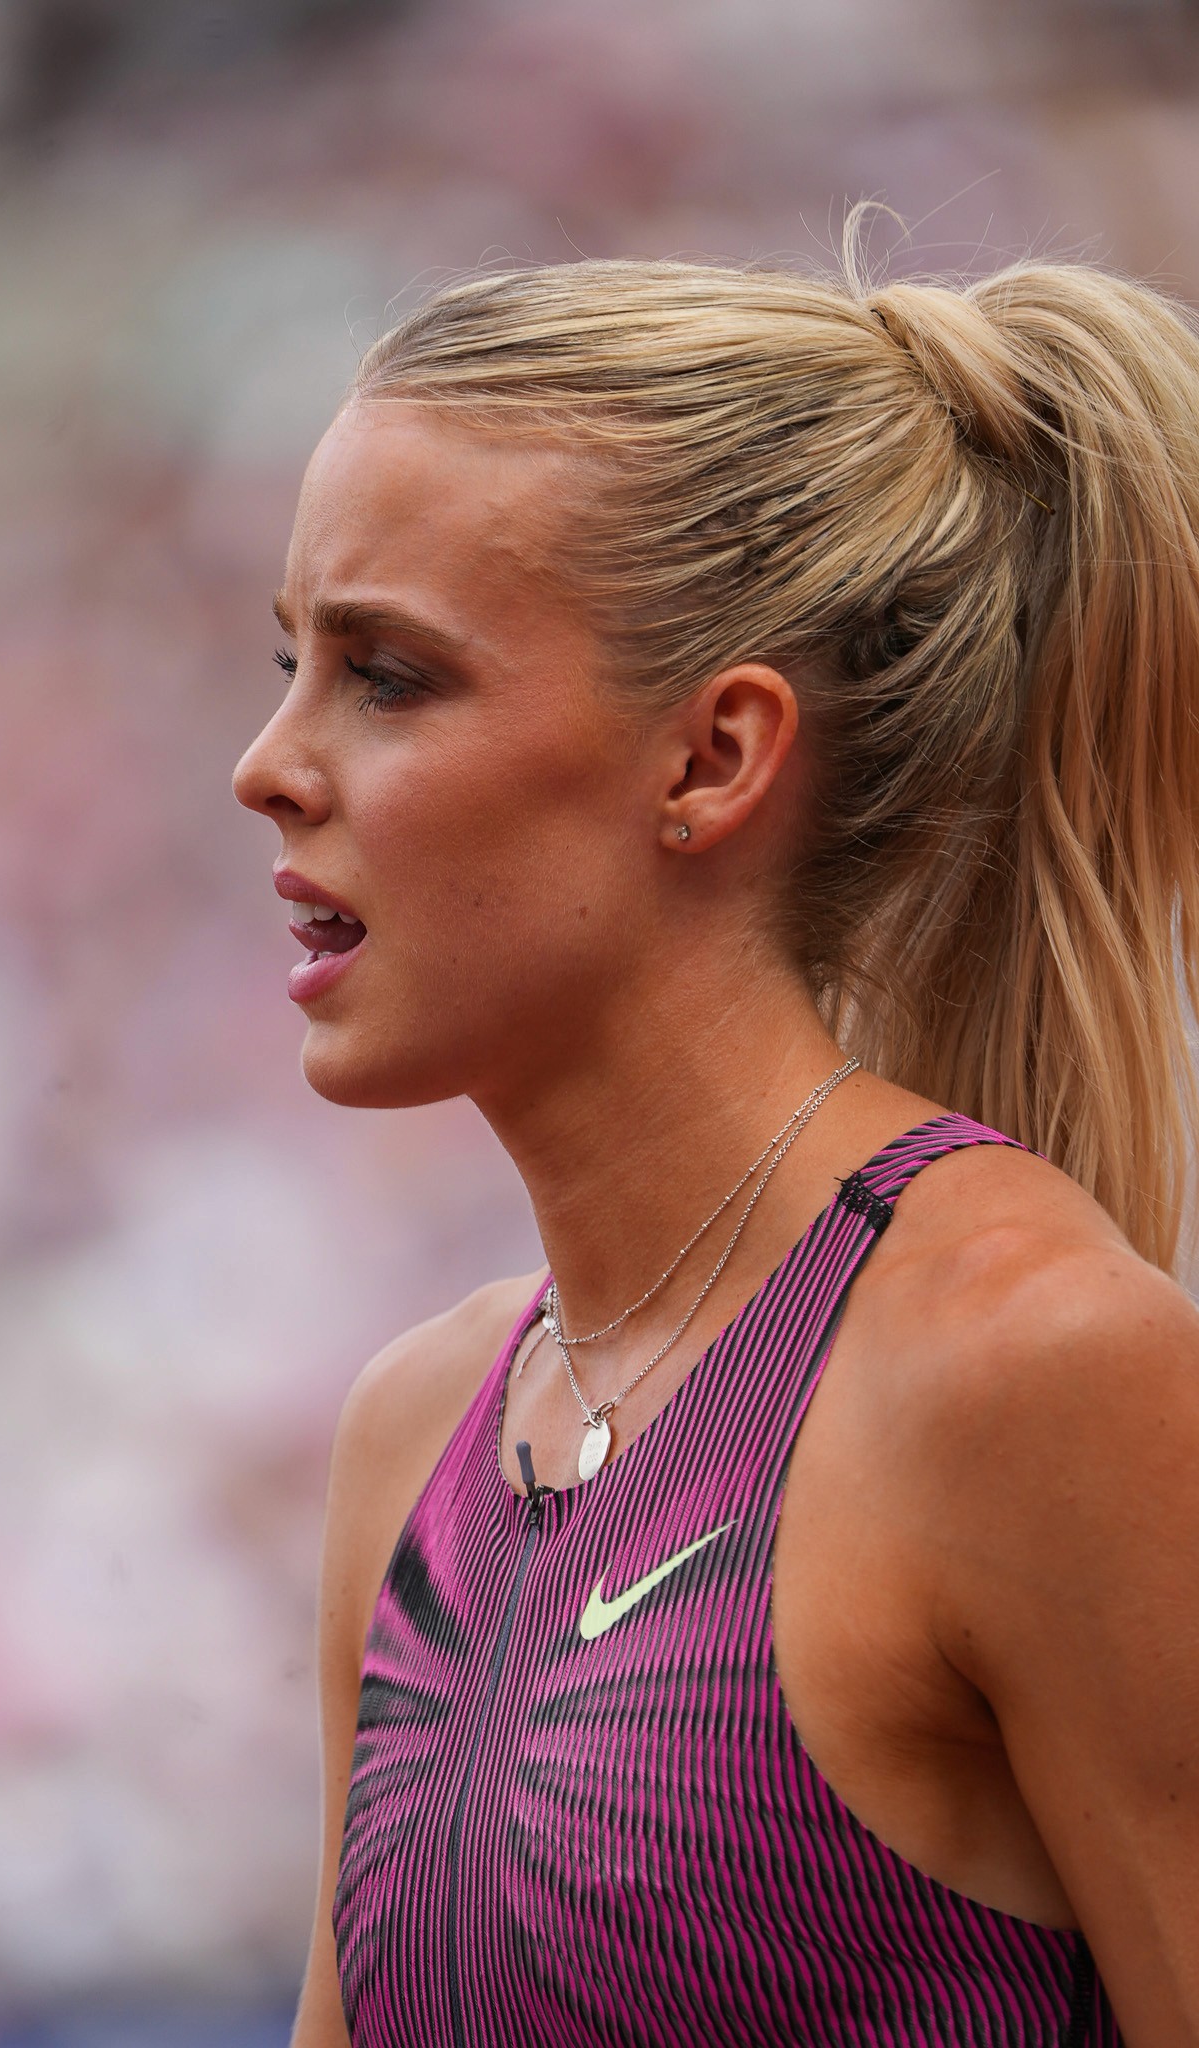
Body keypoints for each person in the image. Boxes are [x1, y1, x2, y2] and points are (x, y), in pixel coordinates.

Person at [231, 219, 1199, 2046]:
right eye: (288, 661)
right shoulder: (418, 1428)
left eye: (387, 677)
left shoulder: (1032, 1366)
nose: (268, 763)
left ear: (710, 758)